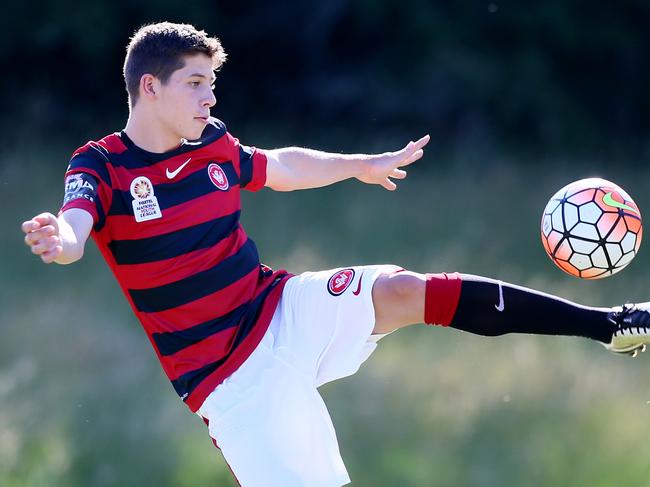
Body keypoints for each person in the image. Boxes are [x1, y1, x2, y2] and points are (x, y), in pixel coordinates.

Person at [21, 22, 650, 487]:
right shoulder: (101, 164)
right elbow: (77, 228)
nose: (210, 99)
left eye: (212, 85)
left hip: (278, 308)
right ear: (149, 88)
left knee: (402, 289)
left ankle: (612, 326)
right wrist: (64, 239)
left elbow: (277, 165)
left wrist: (359, 165)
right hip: (231, 382)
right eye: (196, 85)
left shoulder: (211, 142)